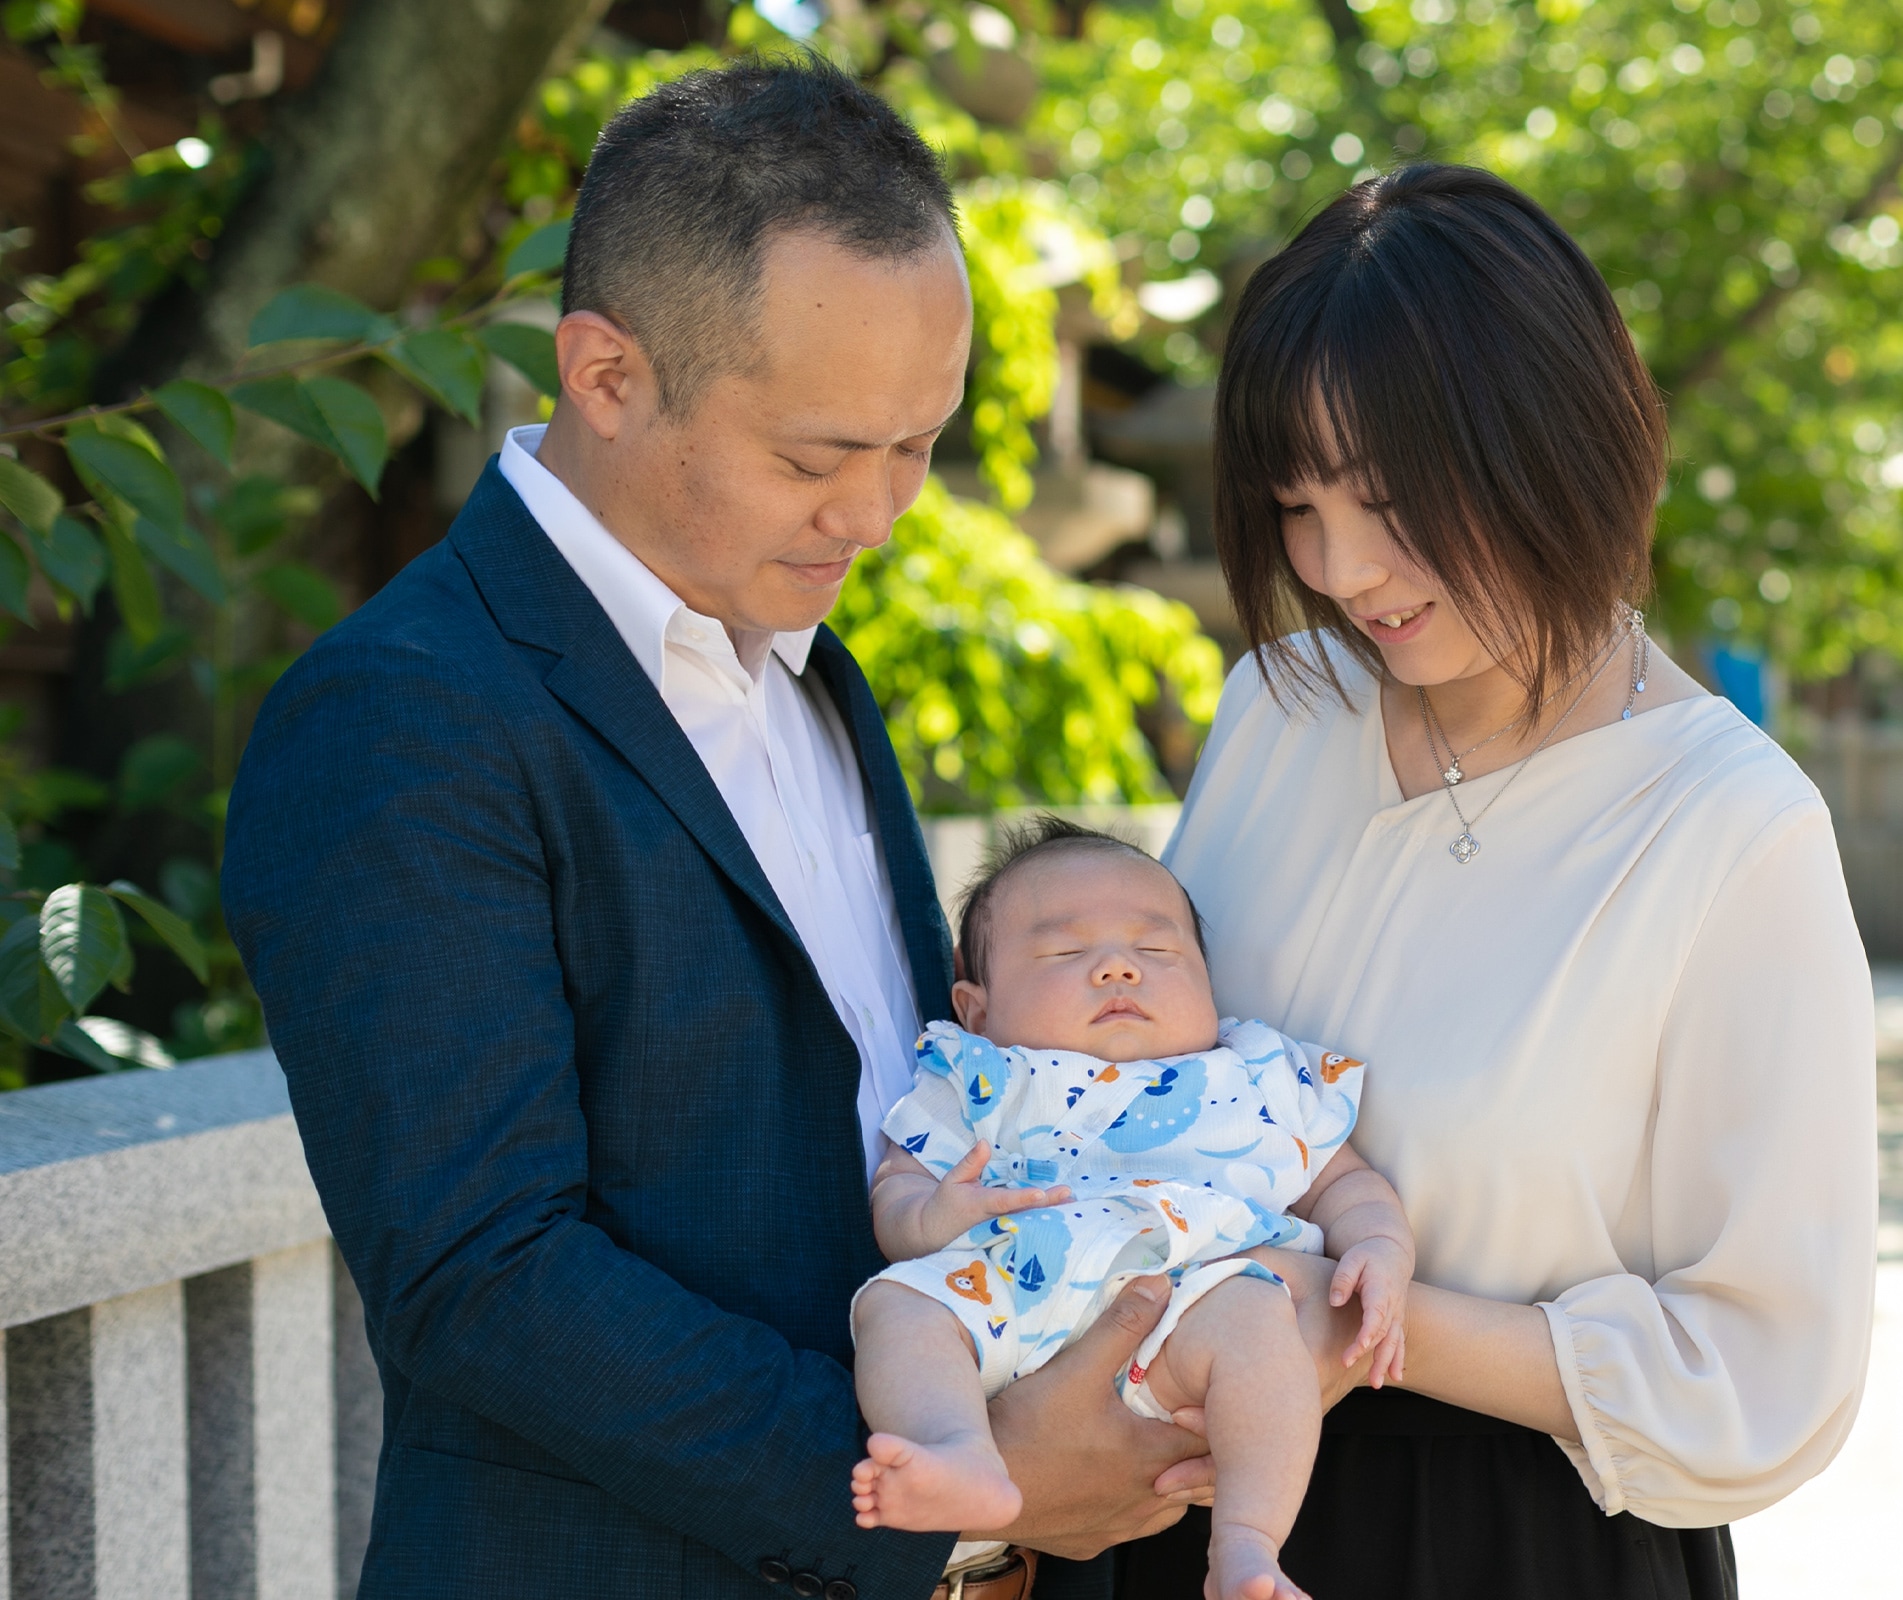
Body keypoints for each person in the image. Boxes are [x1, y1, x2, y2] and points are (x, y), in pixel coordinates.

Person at [223, 63, 1277, 1600]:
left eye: (918, 446)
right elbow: (482, 1277)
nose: (877, 515)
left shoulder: (811, 669)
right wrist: (966, 1500)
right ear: (603, 375)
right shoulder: (402, 713)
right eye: (814, 455)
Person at [1115, 164, 1878, 1599]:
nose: (1340, 568)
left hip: (1509, 1536)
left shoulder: (1726, 830)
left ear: (1549, 443)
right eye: (1297, 503)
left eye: (1392, 501)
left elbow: (1764, 1375)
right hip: (1196, 1517)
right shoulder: (1280, 713)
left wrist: (1351, 1329)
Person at [850, 819, 1413, 1600]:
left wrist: (1381, 1244)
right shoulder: (980, 1074)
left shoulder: (1251, 1076)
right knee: (895, 1308)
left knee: (1260, 1320)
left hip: (1191, 1304)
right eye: (1062, 953)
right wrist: (932, 1216)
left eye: (1156, 951)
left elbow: (1343, 1181)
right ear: (977, 1010)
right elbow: (898, 1192)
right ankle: (965, 1452)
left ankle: (1248, 1546)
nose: (1117, 968)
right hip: (1008, 1292)